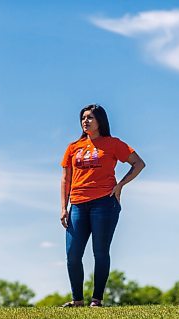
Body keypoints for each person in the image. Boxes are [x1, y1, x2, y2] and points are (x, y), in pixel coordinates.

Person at [60, 104, 145, 307]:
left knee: (100, 252)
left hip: (104, 203)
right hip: (78, 205)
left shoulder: (113, 143)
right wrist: (64, 207)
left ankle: (96, 300)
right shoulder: (73, 147)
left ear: (100, 121)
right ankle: (77, 300)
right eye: (83, 118)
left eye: (90, 117)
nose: (85, 121)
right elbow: (66, 179)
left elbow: (139, 163)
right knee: (72, 255)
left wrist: (120, 185)